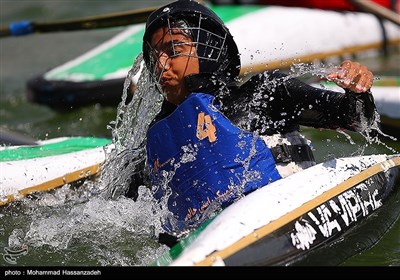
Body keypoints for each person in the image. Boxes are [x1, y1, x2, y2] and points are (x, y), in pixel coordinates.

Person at [127, 0, 376, 246]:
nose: (161, 66)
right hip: (209, 241)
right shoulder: (159, 134)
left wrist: (357, 92)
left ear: (209, 50)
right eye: (154, 56)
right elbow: (129, 211)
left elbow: (355, 119)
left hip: (285, 213)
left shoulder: (266, 93)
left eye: (174, 51)